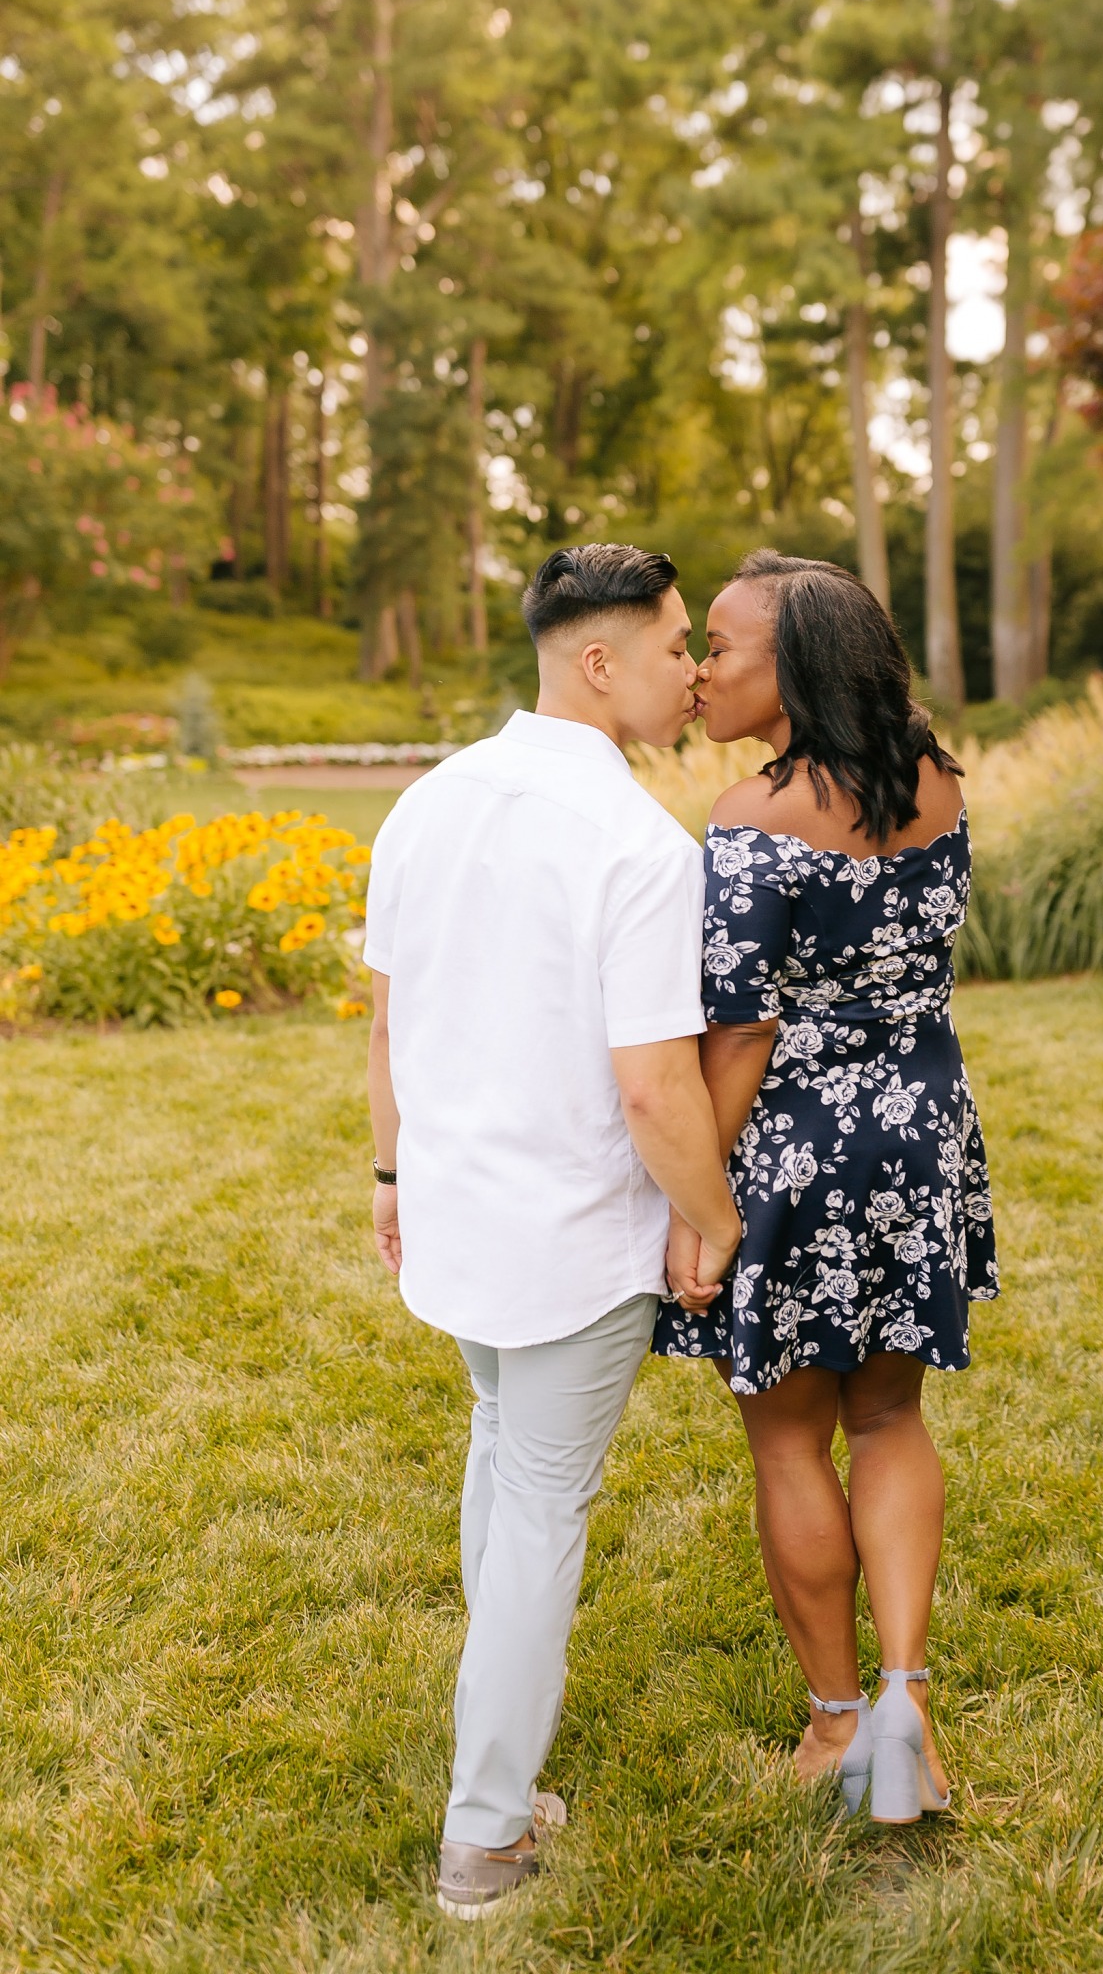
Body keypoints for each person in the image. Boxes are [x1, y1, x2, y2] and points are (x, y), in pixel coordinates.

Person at [363, 544, 740, 1919]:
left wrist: (393, 1180)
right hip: (571, 1236)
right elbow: (654, 1085)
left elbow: (389, 1022)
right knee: (537, 1510)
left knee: (500, 1460)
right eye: (673, 643)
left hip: (460, 1221)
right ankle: (486, 1839)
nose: (690, 666)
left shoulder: (428, 799)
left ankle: (503, 1779)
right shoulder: (636, 846)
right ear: (602, 661)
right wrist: (716, 1221)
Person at [655, 549, 999, 1824]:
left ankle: (838, 1723)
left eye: (726, 649)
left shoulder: (750, 820)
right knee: (893, 1419)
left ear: (792, 671)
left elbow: (737, 1035)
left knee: (789, 1432)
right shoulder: (939, 781)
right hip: (921, 1127)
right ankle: (910, 1697)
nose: (701, 673)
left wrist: (702, 1198)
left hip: (795, 1145)